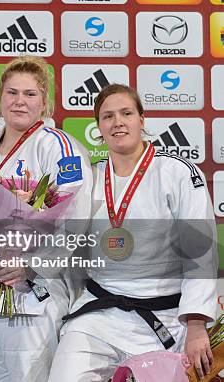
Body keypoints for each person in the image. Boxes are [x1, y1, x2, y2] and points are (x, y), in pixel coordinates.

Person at [48, 84, 218, 381]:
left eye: (126, 113)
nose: (118, 122)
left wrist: (195, 325)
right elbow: (65, 240)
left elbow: (199, 253)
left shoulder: (177, 172)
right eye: (107, 116)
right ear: (98, 127)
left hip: (164, 319)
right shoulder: (90, 176)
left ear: (142, 119)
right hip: (98, 314)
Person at [0, 55, 93, 381]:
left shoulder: (59, 146)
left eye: (30, 94)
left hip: (30, 289)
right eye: (12, 93)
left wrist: (33, 262)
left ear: (45, 102)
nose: (19, 101)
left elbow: (76, 217)